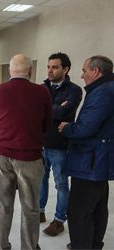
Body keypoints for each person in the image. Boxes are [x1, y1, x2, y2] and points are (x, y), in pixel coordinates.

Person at [0, 54, 52, 249]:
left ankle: (1, 245)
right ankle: (29, 247)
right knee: (30, 208)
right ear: (31, 71)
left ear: (10, 71)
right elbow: (47, 124)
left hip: (1, 155)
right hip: (30, 157)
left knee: (3, 205)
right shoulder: (42, 92)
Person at [58, 55, 114, 249]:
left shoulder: (102, 93)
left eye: (84, 70)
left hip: (89, 162)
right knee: (98, 207)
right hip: (101, 159)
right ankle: (94, 245)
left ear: (95, 71)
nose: (82, 76)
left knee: (78, 211)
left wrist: (67, 128)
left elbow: (86, 127)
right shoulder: (108, 89)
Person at [39, 52, 82, 236]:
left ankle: (59, 220)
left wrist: (47, 109)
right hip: (41, 142)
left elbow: (64, 113)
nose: (50, 70)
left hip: (60, 145)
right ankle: (39, 212)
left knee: (61, 184)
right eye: (48, 66)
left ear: (65, 69)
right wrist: (56, 108)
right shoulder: (42, 88)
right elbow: (38, 112)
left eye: (55, 67)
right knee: (40, 181)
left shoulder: (74, 90)